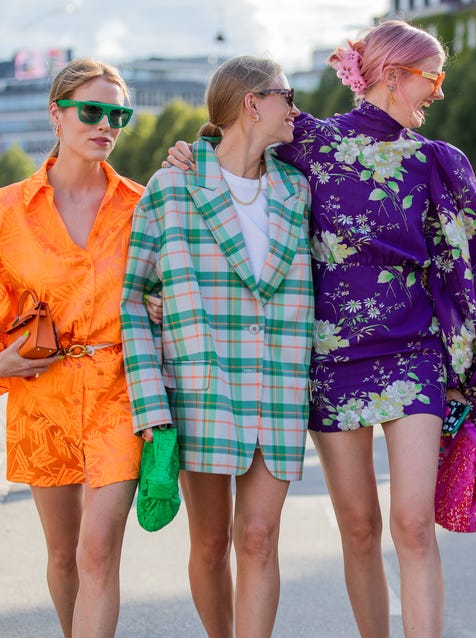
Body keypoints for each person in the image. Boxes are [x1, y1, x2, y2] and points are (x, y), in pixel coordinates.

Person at [165, 20, 476, 637]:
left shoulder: (440, 162)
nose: (440, 91)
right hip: (330, 360)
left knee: (412, 523)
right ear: (395, 76)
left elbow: (467, 271)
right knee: (359, 528)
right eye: (434, 77)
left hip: (414, 355)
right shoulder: (308, 143)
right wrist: (192, 151)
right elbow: (237, 150)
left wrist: (467, 373)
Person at [120, 56, 314, 638]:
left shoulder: (298, 190)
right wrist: (151, 409)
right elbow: (134, 301)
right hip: (202, 389)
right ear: (252, 104)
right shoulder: (172, 186)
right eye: (287, 96)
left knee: (259, 537)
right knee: (210, 542)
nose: (297, 109)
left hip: (278, 389)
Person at [0, 58, 145, 638]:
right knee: (63, 554)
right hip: (41, 398)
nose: (105, 123)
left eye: (118, 114)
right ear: (56, 115)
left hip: (120, 390)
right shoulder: (7, 211)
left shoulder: (143, 206)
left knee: (96, 549)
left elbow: (169, 288)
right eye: (92, 110)